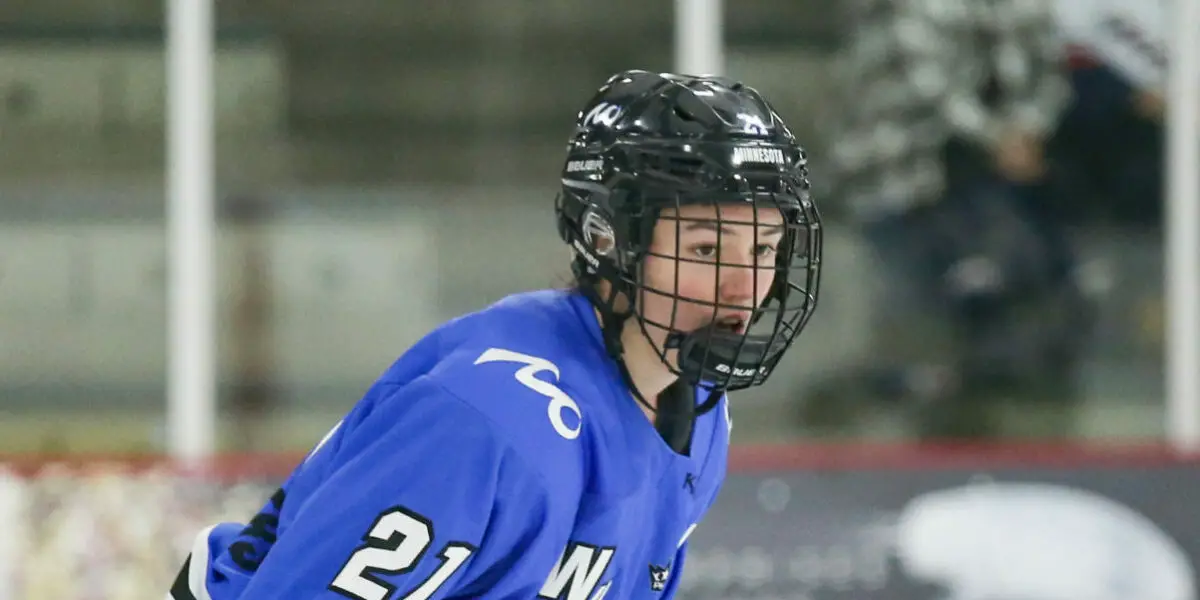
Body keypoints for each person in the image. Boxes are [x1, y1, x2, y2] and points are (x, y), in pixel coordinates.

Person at [168, 70, 822, 600]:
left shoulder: (697, 414)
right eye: (708, 251)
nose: (746, 286)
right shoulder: (494, 422)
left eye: (765, 248)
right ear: (609, 241)